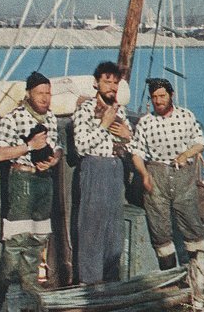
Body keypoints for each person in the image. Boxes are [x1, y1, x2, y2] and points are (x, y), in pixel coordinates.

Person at [0, 71, 62, 289]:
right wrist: (30, 146)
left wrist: (52, 161)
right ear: (29, 94)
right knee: (17, 240)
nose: (45, 98)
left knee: (38, 238)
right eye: (40, 93)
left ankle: (29, 291)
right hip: (22, 180)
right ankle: (6, 293)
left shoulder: (51, 117)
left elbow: (58, 148)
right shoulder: (13, 118)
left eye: (48, 93)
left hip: (44, 180)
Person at [131, 78, 204, 271]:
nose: (158, 101)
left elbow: (200, 142)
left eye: (162, 96)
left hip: (183, 177)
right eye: (154, 97)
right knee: (160, 231)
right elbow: (137, 153)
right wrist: (144, 175)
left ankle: (199, 274)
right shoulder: (145, 123)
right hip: (156, 178)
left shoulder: (186, 116)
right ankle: (170, 279)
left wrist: (186, 154)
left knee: (191, 224)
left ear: (171, 95)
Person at [72, 61, 132, 285]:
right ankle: (89, 283)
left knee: (113, 231)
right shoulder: (85, 110)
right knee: (92, 228)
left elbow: (132, 147)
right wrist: (103, 125)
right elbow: (81, 146)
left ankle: (110, 282)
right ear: (96, 83)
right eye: (107, 81)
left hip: (116, 169)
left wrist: (128, 135)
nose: (112, 87)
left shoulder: (121, 111)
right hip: (94, 168)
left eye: (116, 83)